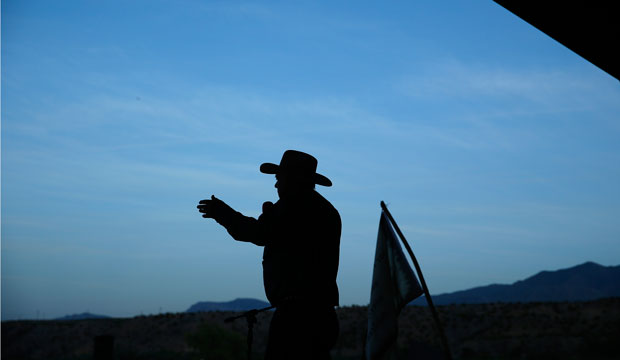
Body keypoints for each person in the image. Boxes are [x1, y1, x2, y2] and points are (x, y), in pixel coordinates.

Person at [197, 150, 341, 360]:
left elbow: (258, 233)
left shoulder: (293, 205)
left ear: (293, 179)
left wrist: (223, 213)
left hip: (296, 317)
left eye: (278, 179)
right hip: (323, 315)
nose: (276, 185)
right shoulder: (327, 211)